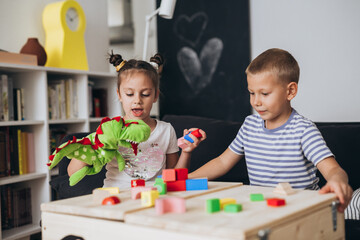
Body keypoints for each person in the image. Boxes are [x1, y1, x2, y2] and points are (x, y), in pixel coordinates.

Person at [189, 48, 352, 212]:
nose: (256, 102)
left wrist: (337, 181)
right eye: (252, 93)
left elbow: (332, 169)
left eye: (264, 94)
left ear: (290, 91)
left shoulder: (303, 130)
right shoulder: (249, 126)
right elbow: (222, 162)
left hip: (300, 211)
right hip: (262, 210)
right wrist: (187, 179)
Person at [67, 52, 206, 189]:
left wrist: (187, 152)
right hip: (116, 196)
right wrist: (97, 143)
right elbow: (72, 171)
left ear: (155, 96)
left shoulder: (166, 130)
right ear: (119, 95)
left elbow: (175, 177)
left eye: (145, 94)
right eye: (129, 94)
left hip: (154, 197)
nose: (137, 100)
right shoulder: (110, 129)